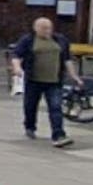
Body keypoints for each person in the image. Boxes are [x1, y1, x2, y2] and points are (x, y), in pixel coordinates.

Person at [11, 17, 81, 148]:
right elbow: (16, 55)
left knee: (56, 107)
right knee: (30, 106)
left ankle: (59, 135)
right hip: (33, 80)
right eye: (43, 28)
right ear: (36, 28)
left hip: (54, 81)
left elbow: (67, 59)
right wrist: (17, 68)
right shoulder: (28, 40)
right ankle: (30, 126)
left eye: (49, 28)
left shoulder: (60, 40)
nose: (47, 31)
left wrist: (74, 76)